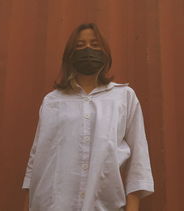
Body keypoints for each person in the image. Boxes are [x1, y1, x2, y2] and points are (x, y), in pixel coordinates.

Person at [22, 23, 154, 211]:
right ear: (70, 55)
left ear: (105, 53)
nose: (88, 50)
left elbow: (139, 162)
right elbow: (36, 160)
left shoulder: (124, 97)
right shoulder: (53, 101)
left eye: (94, 45)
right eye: (80, 46)